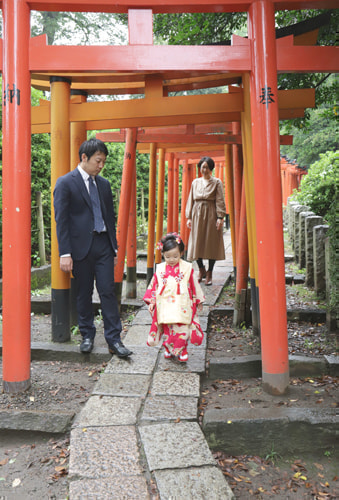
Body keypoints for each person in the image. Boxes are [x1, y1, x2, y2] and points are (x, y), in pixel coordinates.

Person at [53, 138, 132, 358]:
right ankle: (87, 335)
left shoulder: (104, 184)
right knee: (83, 293)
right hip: (80, 248)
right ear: (84, 158)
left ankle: (114, 340)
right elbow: (62, 221)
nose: (101, 165)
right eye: (98, 160)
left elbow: (110, 217)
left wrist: (114, 247)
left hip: (103, 245)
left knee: (108, 290)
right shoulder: (65, 183)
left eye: (104, 162)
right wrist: (65, 253)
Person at [143, 233, 205, 362]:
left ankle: (182, 349)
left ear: (181, 253)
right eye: (168, 257)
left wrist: (198, 299)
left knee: (182, 328)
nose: (172, 259)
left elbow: (194, 284)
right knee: (168, 328)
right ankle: (168, 348)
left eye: (175, 256)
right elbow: (154, 285)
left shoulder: (187, 268)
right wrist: (152, 301)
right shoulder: (160, 269)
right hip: (165, 304)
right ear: (163, 255)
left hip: (182, 303)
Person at [185, 156, 226, 286]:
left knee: (211, 241)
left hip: (211, 213)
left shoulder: (217, 182)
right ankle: (201, 269)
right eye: (202, 167)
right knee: (197, 241)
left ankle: (210, 272)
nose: (204, 170)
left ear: (211, 168)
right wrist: (189, 217)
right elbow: (190, 199)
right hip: (197, 213)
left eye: (207, 167)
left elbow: (220, 200)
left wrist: (220, 217)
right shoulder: (195, 182)